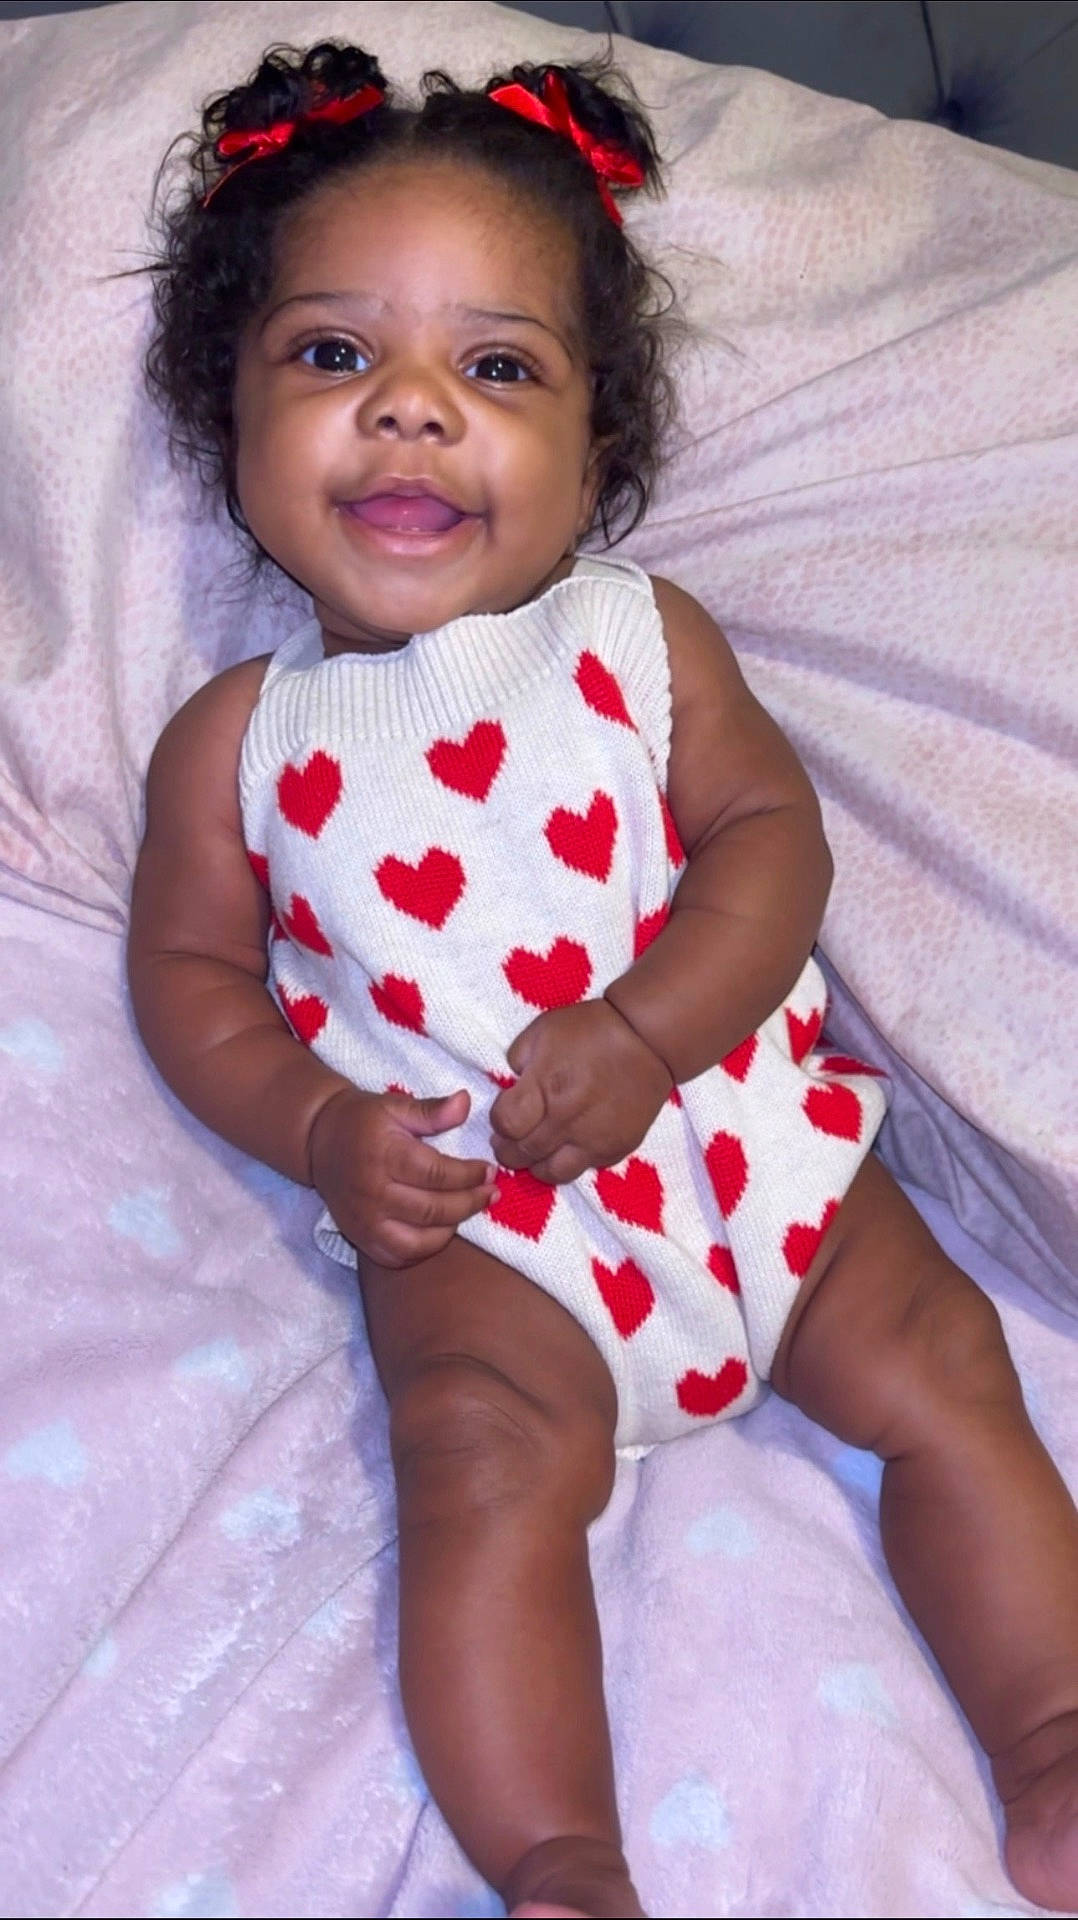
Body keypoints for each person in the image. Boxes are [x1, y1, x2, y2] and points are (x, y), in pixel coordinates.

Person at [126, 39, 1078, 1919]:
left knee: (945, 1365)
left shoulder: (637, 638)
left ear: (595, 450)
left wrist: (650, 1029)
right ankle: (558, 1858)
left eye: (495, 369)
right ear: (226, 417)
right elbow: (190, 978)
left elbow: (768, 844)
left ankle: (1051, 1728)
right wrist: (317, 1130)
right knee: (472, 1461)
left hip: (753, 1147)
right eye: (332, 354)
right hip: (475, 1223)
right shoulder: (236, 733)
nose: (409, 410)